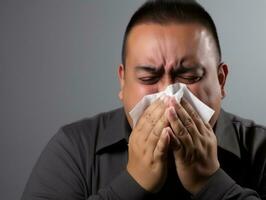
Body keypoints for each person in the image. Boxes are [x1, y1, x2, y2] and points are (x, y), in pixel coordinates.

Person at [21, 0, 266, 200]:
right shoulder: (75, 149)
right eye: (149, 78)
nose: (170, 95)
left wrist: (211, 183)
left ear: (221, 81)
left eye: (189, 76)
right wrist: (132, 183)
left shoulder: (261, 149)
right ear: (123, 82)